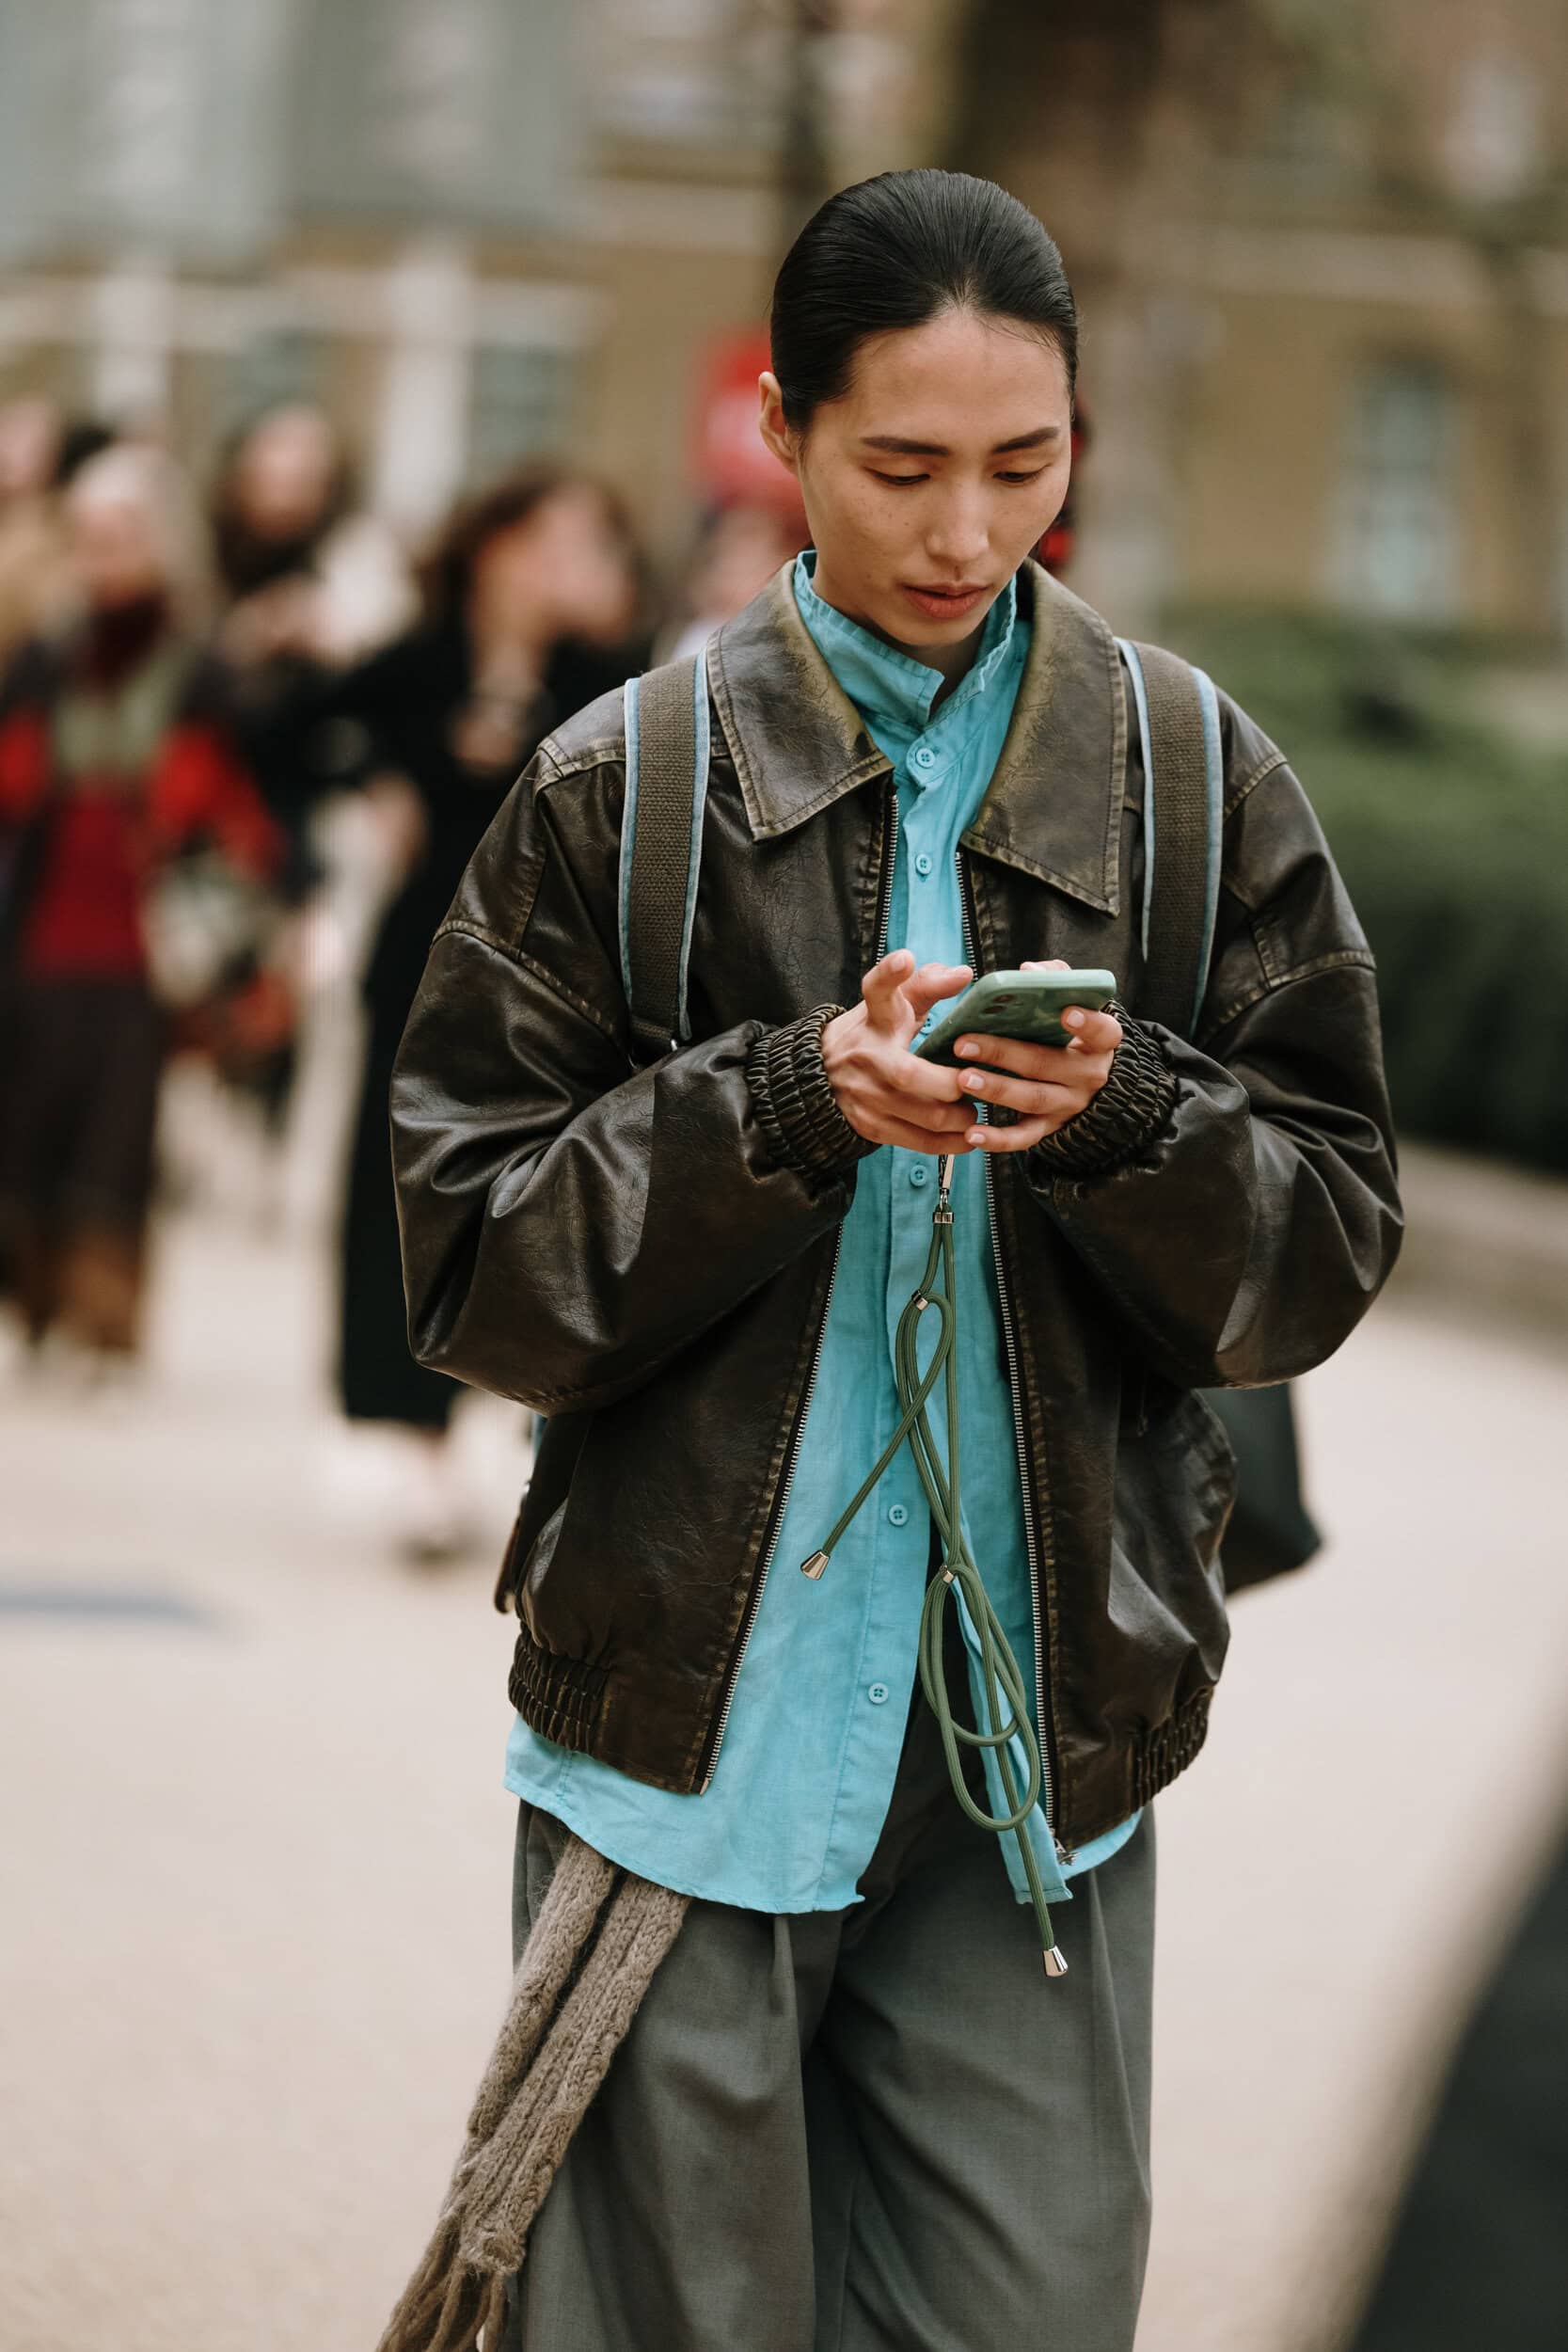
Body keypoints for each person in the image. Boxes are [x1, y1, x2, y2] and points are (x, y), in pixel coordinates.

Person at [385, 170, 1402, 2351]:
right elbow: (471, 1258)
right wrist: (777, 1108)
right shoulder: (622, 787)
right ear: (781, 428)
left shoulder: (1192, 779)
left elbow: (1320, 1244)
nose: (964, 532)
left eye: (1023, 466)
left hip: (1041, 1751)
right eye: (901, 465)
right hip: (692, 1737)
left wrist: (1125, 1120)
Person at [327, 466, 643, 1562]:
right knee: (400, 1192)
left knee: (544, 1196)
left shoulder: (604, 675)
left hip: (557, 972)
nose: (566, 567)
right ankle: (413, 1437)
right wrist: (375, 778)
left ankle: (509, 1422)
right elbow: (296, 727)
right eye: (550, 541)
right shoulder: (417, 659)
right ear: (492, 547)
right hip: (420, 956)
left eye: (588, 546)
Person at [0, 444, 278, 1371]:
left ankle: (105, 1324)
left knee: (116, 1136)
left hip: (148, 934)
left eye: (121, 532)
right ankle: (34, 1307)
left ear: (161, 540)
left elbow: (241, 800)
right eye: (87, 533)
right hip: (45, 919)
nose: (102, 552)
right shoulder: (47, 653)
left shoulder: (200, 663)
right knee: (29, 1117)